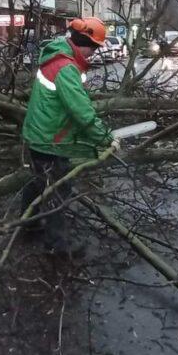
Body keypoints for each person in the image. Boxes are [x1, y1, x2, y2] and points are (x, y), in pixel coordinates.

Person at [21, 17, 116, 254]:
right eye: (94, 48)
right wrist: (105, 138)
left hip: (39, 133)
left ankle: (28, 224)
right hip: (49, 139)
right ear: (84, 43)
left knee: (37, 182)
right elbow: (81, 111)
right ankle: (57, 246)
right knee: (58, 190)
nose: (94, 54)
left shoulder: (59, 57)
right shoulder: (66, 67)